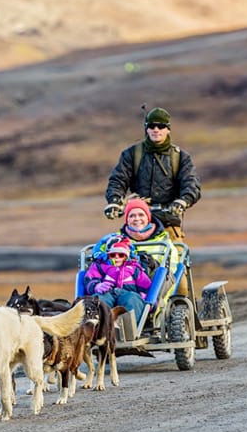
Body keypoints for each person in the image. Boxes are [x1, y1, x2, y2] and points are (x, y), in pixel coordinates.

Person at [103, 106, 201, 242]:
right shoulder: (132, 154)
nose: (156, 130)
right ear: (146, 128)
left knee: (175, 257)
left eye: (161, 126)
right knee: (123, 256)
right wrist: (114, 201)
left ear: (168, 129)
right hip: (137, 223)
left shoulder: (180, 157)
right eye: (152, 126)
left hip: (169, 223)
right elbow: (118, 179)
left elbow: (191, 183)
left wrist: (183, 201)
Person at [82, 237, 152, 320]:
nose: (116, 257)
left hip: (128, 293)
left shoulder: (134, 269)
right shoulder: (100, 266)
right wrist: (97, 286)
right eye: (112, 255)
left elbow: (146, 285)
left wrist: (145, 295)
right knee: (98, 300)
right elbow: (90, 279)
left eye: (121, 255)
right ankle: (100, 327)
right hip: (106, 293)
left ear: (126, 256)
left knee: (132, 300)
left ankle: (129, 329)